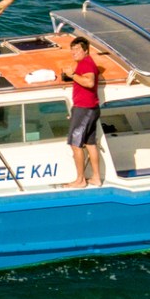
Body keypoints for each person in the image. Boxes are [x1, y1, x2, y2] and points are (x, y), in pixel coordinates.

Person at [61, 36, 105, 188]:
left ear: (85, 51)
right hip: (92, 108)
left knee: (75, 144)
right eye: (72, 49)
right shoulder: (87, 63)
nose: (74, 52)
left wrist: (72, 75)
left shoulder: (86, 63)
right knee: (90, 143)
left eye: (77, 49)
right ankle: (96, 178)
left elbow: (89, 82)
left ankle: (80, 180)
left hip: (84, 109)